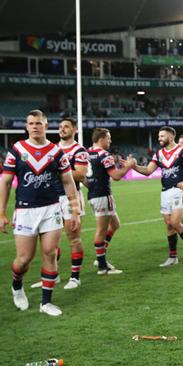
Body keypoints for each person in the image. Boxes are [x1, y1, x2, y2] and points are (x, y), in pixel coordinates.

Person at [0, 110, 81, 316]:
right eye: (31, 123)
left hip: (51, 209)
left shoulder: (56, 152)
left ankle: (46, 303)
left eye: (38, 123)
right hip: (25, 210)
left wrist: (74, 208)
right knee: (24, 259)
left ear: (46, 126)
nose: (35, 126)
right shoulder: (16, 150)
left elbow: (68, 181)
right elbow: (6, 182)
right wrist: (1, 212)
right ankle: (17, 286)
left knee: (50, 253)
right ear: (27, 127)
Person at [130, 127, 183, 267]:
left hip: (178, 190)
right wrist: (134, 166)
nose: (159, 138)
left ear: (170, 136)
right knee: (169, 225)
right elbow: (148, 171)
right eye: (159, 136)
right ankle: (173, 257)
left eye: (162, 136)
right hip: (165, 191)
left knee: (175, 222)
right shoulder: (158, 154)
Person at [86, 128, 134, 275]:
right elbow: (116, 176)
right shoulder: (104, 155)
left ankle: (101, 257)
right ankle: (102, 266)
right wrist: (129, 166)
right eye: (108, 138)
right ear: (101, 139)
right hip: (102, 195)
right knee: (101, 230)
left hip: (93, 194)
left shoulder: (87, 153)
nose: (110, 141)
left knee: (115, 224)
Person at [55, 117, 89, 289]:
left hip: (71, 197)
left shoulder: (79, 150)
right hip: (52, 198)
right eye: (60, 127)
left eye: (66, 127)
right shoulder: (53, 149)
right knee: (51, 239)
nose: (62, 129)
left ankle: (75, 277)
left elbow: (81, 174)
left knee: (73, 238)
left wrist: (58, 170)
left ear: (74, 129)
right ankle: (53, 276)